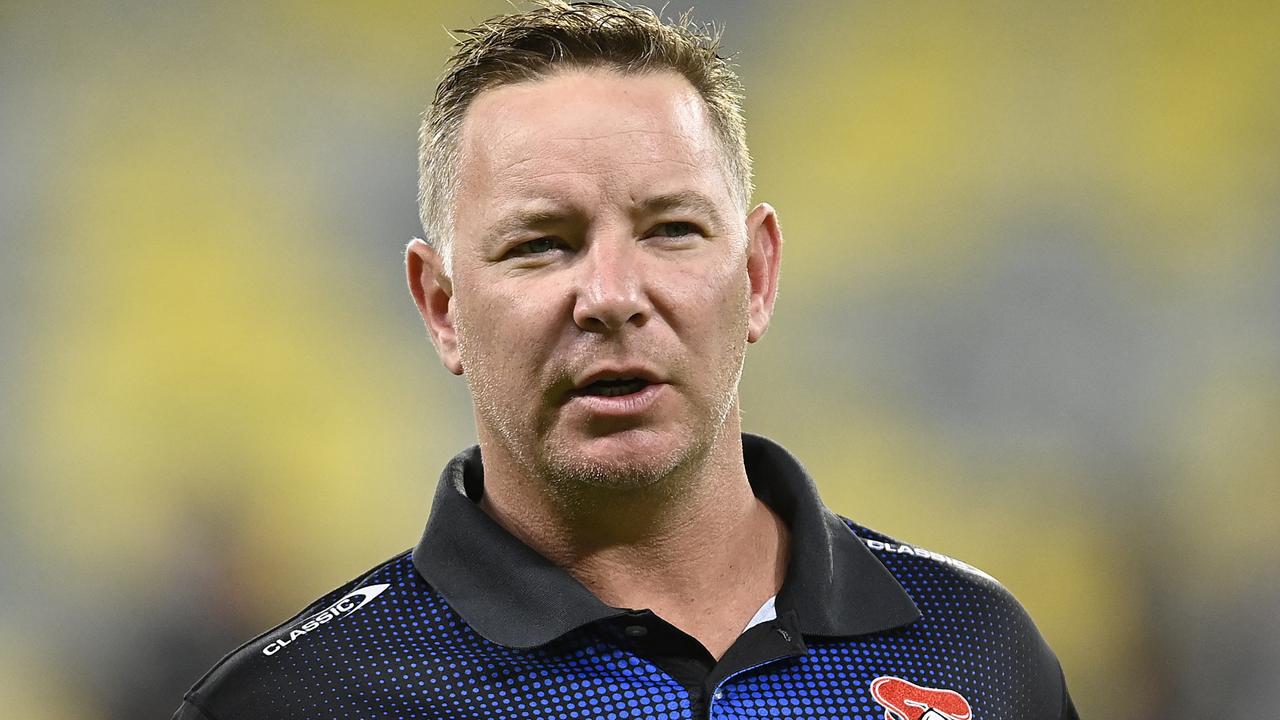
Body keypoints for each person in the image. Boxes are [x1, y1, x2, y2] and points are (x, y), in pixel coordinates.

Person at [173, 2, 1079, 718]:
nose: (611, 294)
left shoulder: (978, 650)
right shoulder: (297, 703)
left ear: (757, 276)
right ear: (441, 305)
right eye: (541, 243)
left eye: (672, 230)